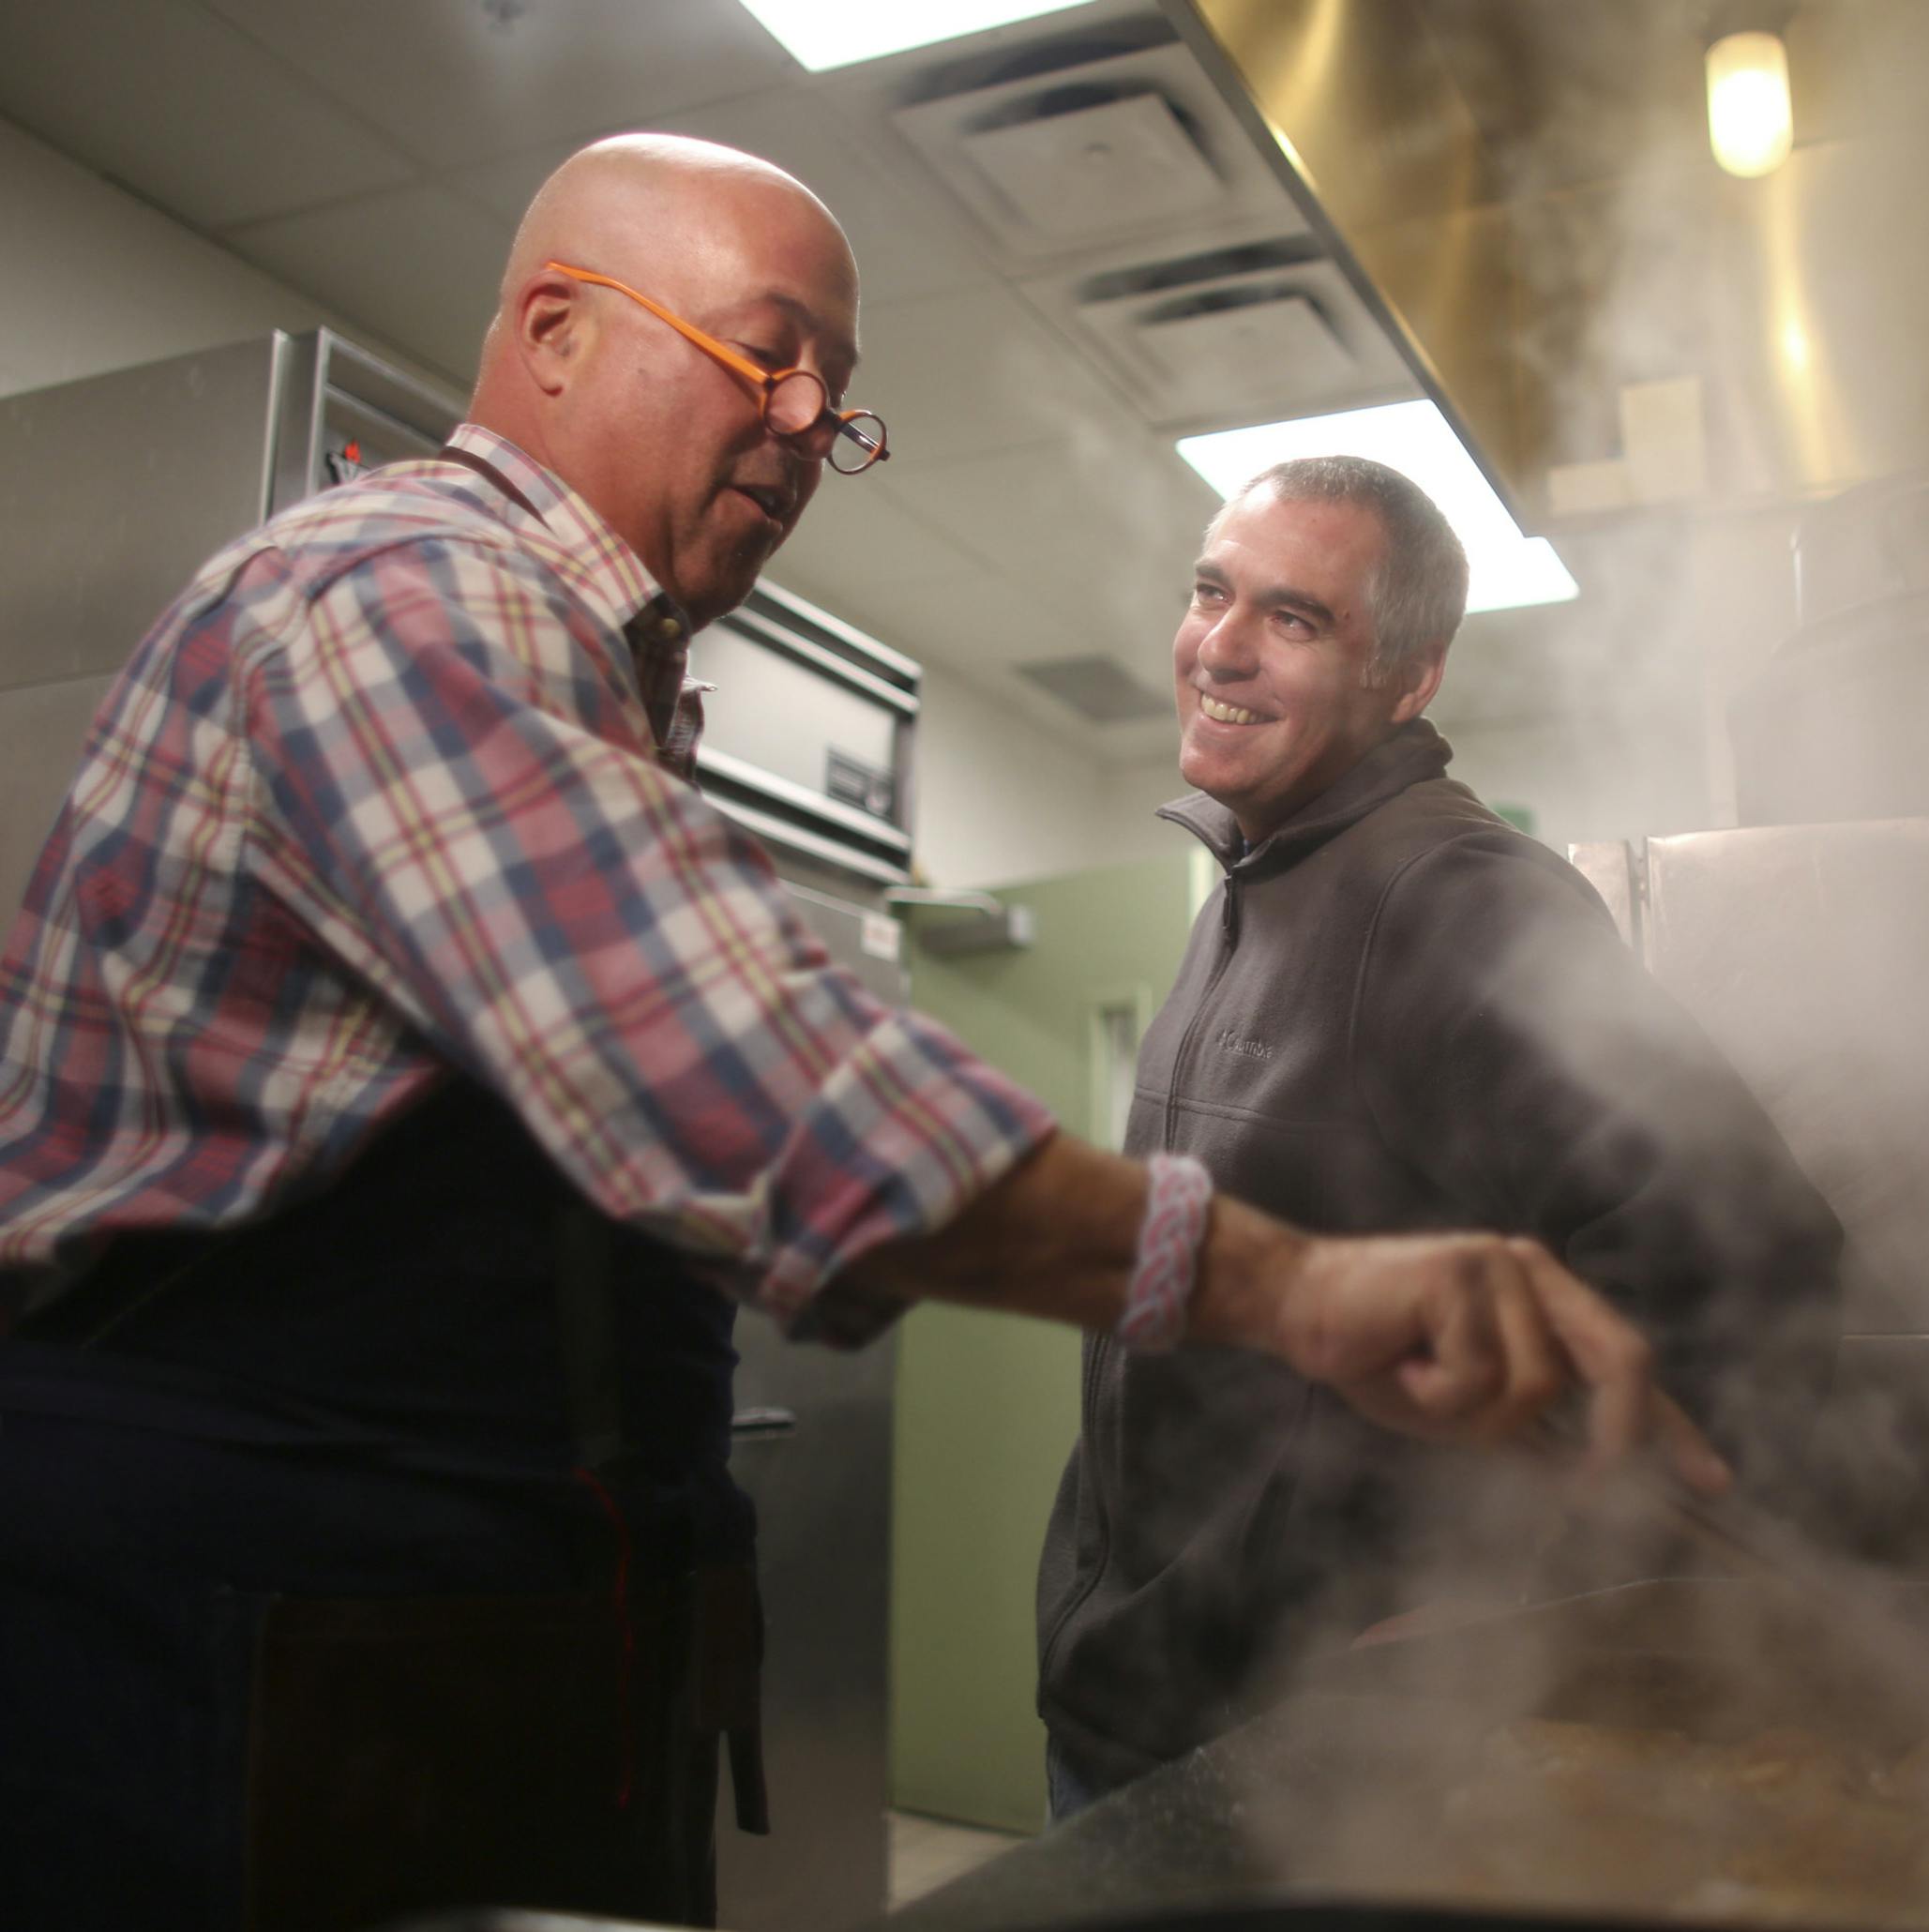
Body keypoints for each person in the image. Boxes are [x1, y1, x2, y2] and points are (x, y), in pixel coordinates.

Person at [0, 139, 1723, 1932]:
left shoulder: (1451, 892)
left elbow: (1728, 1257)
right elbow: (732, 1075)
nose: (811, 419)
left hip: (443, 1632)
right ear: (558, 330)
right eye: (765, 355)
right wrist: (1303, 1286)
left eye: (836, 388)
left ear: (1406, 675)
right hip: (221, 1631)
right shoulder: (409, 598)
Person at [1034, 457, 1844, 1819]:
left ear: (1407, 678)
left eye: (1295, 619)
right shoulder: (1246, 889)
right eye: (1211, 591)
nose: (1219, 647)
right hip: (1133, 1704)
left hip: (1300, 1753)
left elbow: (1760, 1267)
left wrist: (1538, 1606)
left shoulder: (1456, 901)